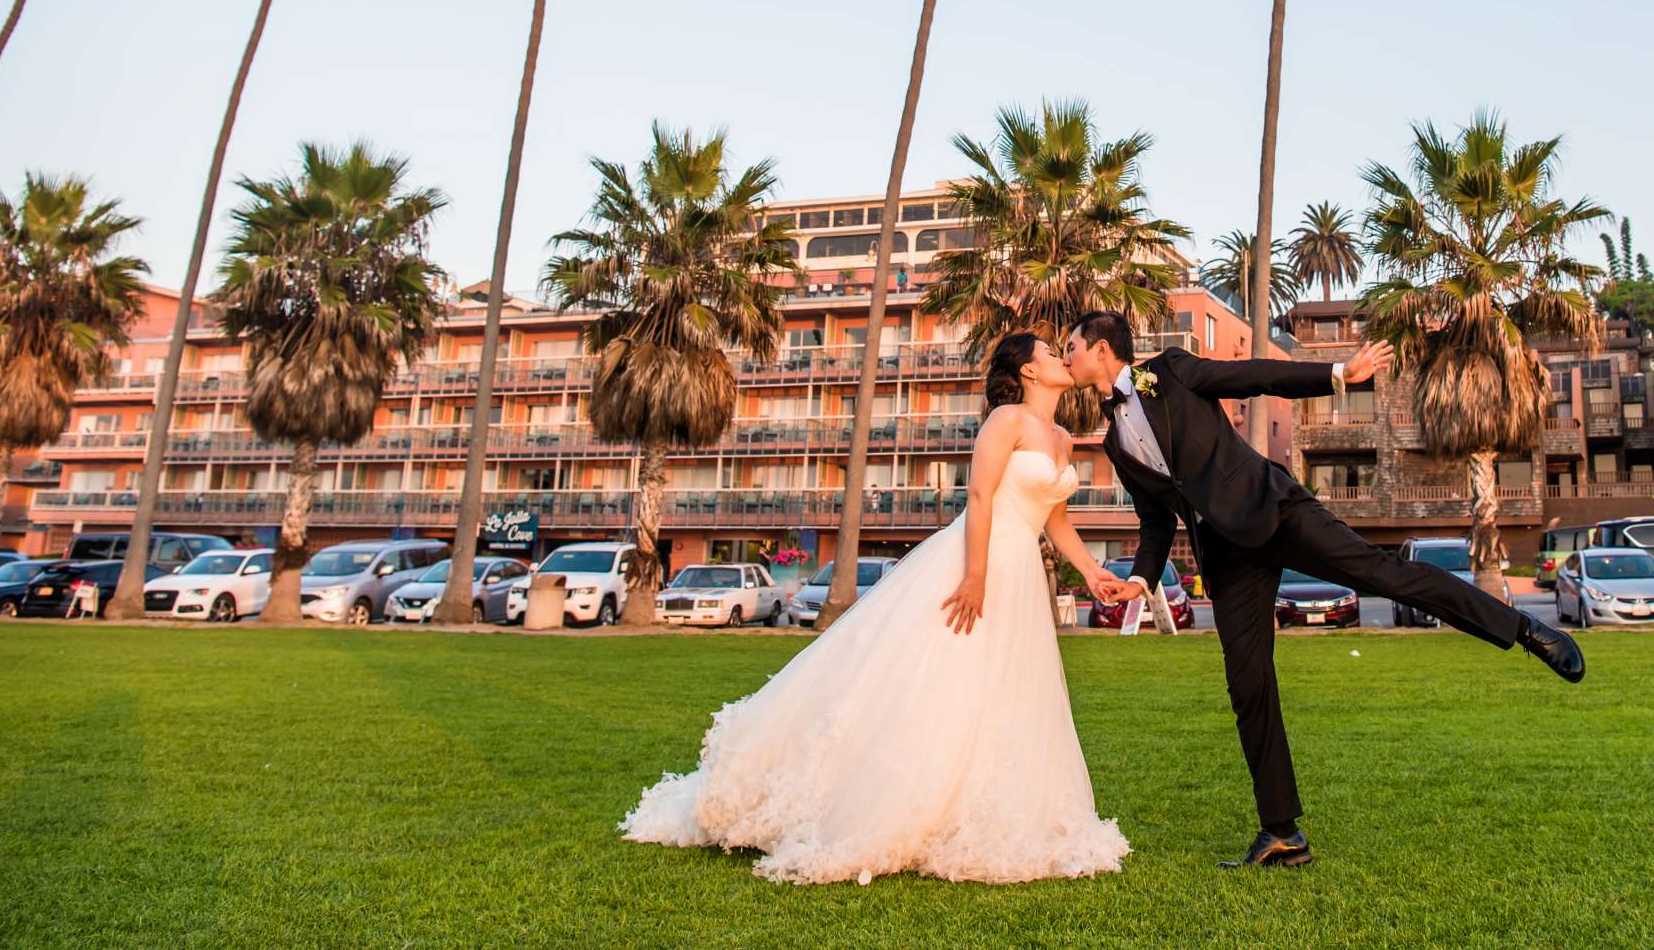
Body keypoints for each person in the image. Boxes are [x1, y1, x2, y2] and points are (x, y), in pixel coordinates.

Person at [1064, 309, 1584, 869]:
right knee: (1248, 686)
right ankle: (1282, 834)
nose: (1064, 354)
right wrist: (1140, 579)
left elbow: (1256, 376)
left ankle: (1527, 630)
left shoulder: (1170, 370)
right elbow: (1158, 520)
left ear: (1100, 349)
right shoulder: (1116, 439)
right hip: (1228, 555)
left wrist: (1338, 373)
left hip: (1276, 510)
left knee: (1386, 575)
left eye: (1069, 345)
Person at [621, 332, 1139, 884]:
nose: (1062, 356)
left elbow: (1054, 517)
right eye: (1047, 350)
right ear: (1028, 372)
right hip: (976, 561)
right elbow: (982, 498)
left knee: (1006, 690)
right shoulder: (1006, 421)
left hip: (1022, 579)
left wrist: (1090, 571)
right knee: (942, 679)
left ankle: (989, 803)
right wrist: (975, 576)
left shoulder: (1062, 436)